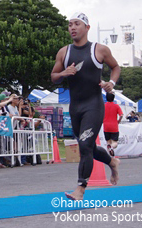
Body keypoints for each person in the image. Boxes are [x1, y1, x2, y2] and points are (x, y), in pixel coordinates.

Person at [51, 12, 120, 200]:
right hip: (75, 107)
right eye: (70, 24)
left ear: (87, 28)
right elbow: (53, 77)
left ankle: (80, 189)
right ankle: (112, 161)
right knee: (87, 146)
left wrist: (111, 84)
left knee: (84, 145)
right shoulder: (64, 52)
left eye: (77, 24)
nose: (72, 27)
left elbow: (116, 67)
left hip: (94, 105)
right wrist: (63, 73)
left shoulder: (99, 50)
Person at [103, 92, 123, 157]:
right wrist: (118, 121)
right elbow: (121, 115)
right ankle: (112, 147)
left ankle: (110, 157)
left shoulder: (103, 106)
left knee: (108, 141)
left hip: (106, 126)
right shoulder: (116, 106)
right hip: (114, 126)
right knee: (115, 143)